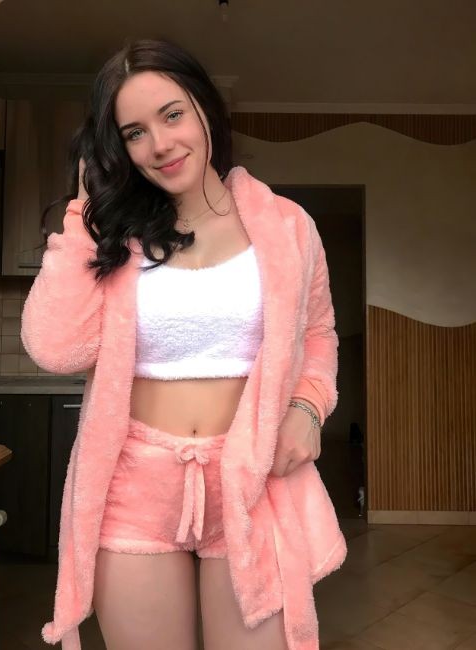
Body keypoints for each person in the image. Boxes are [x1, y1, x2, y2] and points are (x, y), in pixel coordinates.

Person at [21, 38, 346, 650]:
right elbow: (54, 348)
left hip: (251, 477)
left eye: (172, 115)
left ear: (205, 109)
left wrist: (307, 408)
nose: (160, 144)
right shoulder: (114, 234)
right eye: (135, 132)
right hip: (135, 484)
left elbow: (317, 333)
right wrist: (83, 213)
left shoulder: (288, 226)